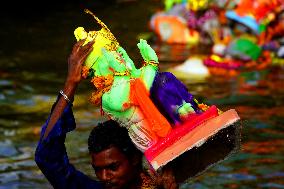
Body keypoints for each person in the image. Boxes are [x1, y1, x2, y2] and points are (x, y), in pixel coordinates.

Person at [34, 40, 177, 189]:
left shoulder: (164, 183)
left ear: (134, 158)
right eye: (97, 169)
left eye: (112, 167)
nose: (104, 177)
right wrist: (71, 84)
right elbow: (46, 158)